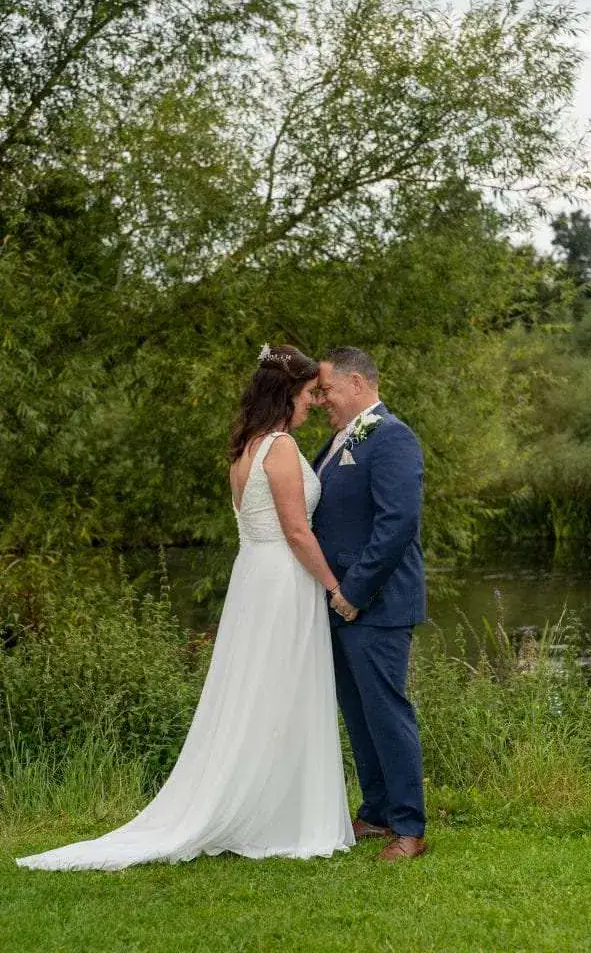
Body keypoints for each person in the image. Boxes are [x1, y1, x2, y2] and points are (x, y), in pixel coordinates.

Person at [16, 344, 354, 871]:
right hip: (282, 579)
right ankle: (278, 815)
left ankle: (271, 806)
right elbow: (295, 530)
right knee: (281, 688)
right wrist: (334, 585)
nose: (313, 403)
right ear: (287, 393)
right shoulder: (281, 448)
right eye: (309, 393)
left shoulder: (246, 448)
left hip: (254, 577)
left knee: (258, 690)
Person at [314, 347, 427, 861]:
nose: (321, 401)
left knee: (386, 711)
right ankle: (378, 813)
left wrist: (354, 592)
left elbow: (397, 524)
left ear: (356, 383)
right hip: (340, 603)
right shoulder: (340, 442)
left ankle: (410, 828)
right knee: (358, 713)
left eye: (327, 390)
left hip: (375, 604)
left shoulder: (392, 437)